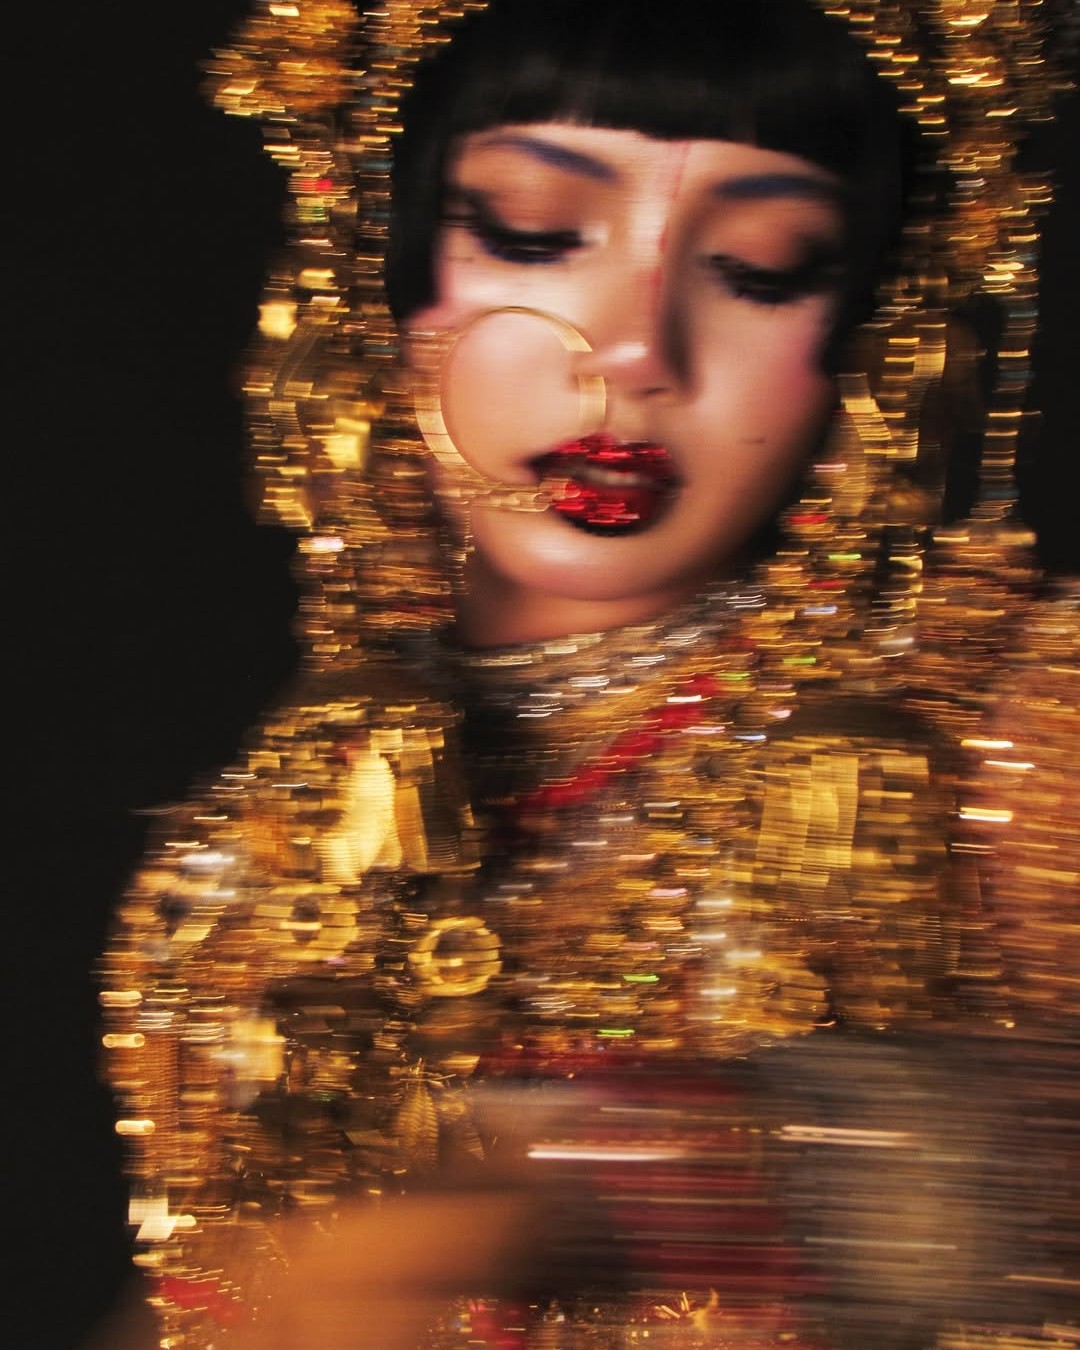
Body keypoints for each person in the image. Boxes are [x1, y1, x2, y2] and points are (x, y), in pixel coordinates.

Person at [101, 1, 1080, 1346]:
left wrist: (580, 1192)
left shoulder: (1008, 727)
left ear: (873, 340)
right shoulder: (244, 878)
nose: (635, 350)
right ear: (380, 282)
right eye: (534, 234)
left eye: (760, 267)